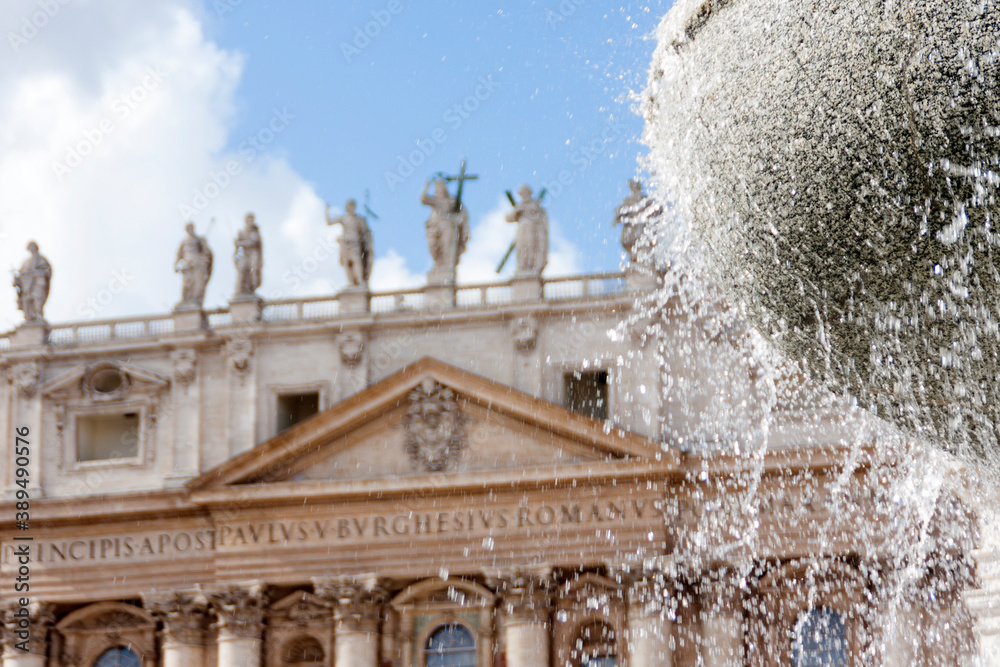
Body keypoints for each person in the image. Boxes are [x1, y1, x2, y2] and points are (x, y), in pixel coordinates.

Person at [421, 179, 469, 281]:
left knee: (447, 246)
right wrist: (426, 186)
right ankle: (438, 265)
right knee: (432, 244)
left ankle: (446, 269)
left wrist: (461, 224)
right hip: (435, 227)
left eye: (441, 186)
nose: (440, 189)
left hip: (448, 226)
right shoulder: (435, 200)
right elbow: (423, 199)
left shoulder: (452, 200)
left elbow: (463, 214)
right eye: (437, 187)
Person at [326, 200, 374, 287]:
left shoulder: (359, 219)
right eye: (348, 206)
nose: (350, 208)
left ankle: (360, 280)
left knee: (356, 261)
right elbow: (329, 222)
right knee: (346, 263)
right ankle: (350, 282)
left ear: (354, 207)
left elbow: (365, 232)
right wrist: (326, 211)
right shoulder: (343, 218)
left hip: (355, 243)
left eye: (351, 206)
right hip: (345, 244)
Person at [505, 185, 549, 275]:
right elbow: (508, 218)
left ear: (529, 193)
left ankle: (531, 267)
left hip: (532, 229)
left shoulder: (535, 205)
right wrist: (516, 212)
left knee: (531, 246)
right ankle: (522, 267)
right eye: (522, 193)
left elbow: (542, 218)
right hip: (522, 229)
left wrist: (534, 213)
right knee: (521, 247)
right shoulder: (520, 206)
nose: (524, 195)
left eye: (526, 192)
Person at [175, 222, 213, 310]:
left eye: (191, 228)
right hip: (187, 264)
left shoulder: (199, 240)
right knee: (187, 284)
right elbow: (179, 254)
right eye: (188, 228)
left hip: (198, 264)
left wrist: (204, 244)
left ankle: (195, 301)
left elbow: (207, 252)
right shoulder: (184, 241)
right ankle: (185, 300)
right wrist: (176, 264)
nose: (190, 230)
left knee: (198, 283)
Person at [13, 241, 52, 323]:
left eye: (32, 247)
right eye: (29, 248)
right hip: (27, 286)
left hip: (38, 283)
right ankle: (29, 318)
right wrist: (17, 280)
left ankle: (38, 316)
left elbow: (47, 270)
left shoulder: (41, 259)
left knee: (36, 299)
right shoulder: (26, 262)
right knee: (27, 300)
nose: (31, 249)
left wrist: (37, 272)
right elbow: (21, 276)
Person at [233, 213, 263, 297]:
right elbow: (238, 250)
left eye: (251, 220)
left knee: (252, 272)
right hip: (244, 255)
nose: (250, 222)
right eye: (248, 220)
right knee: (242, 269)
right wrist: (237, 243)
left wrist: (240, 243)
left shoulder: (255, 232)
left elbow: (252, 243)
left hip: (253, 255)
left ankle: (250, 290)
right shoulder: (242, 232)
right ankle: (241, 290)